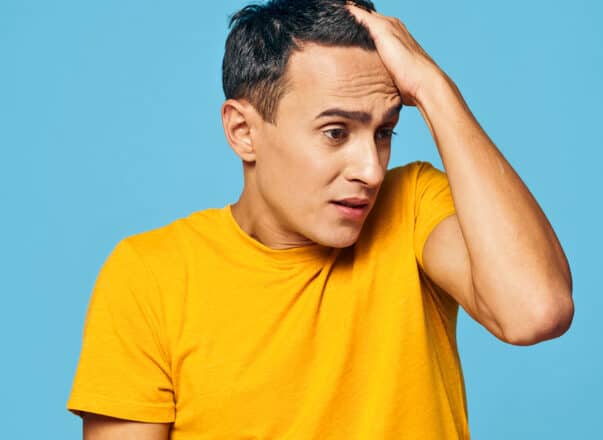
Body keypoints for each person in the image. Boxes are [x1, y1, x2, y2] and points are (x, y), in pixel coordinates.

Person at [66, 0, 574, 438]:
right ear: (243, 131)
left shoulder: (415, 205)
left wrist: (434, 90)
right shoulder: (149, 276)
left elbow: (535, 310)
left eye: (384, 132)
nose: (371, 171)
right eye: (336, 132)